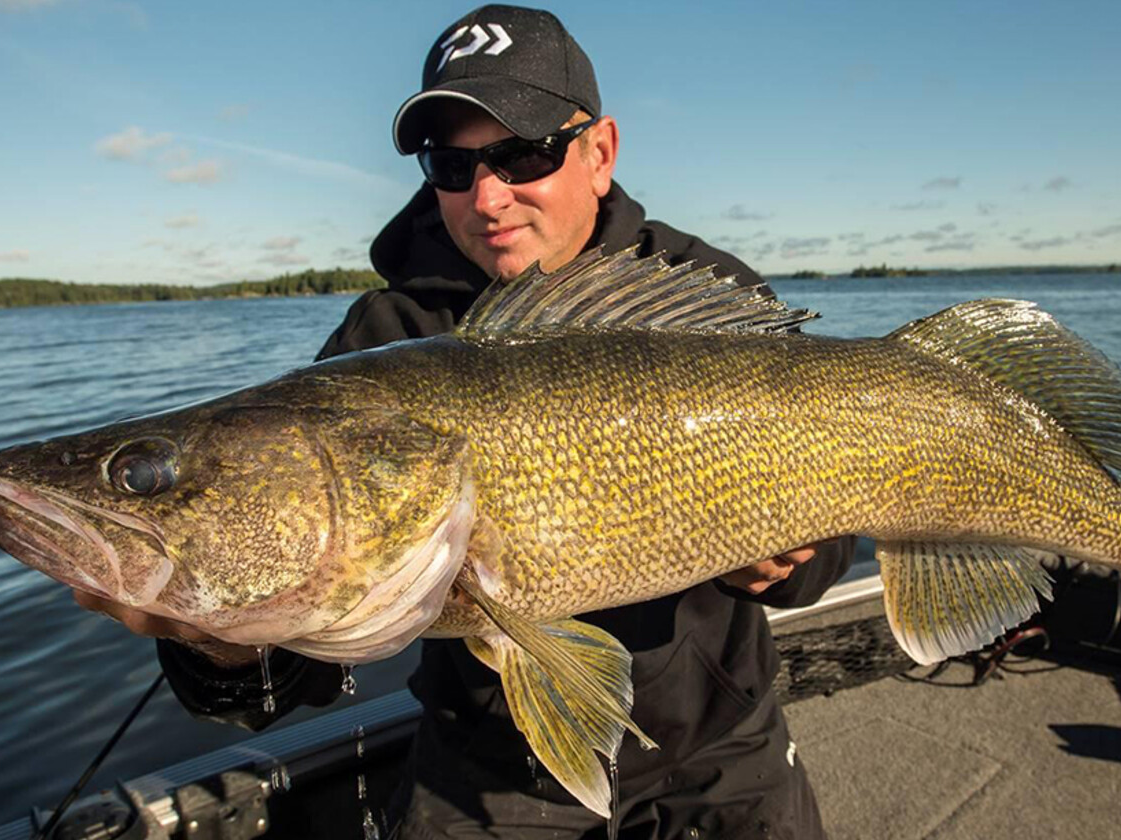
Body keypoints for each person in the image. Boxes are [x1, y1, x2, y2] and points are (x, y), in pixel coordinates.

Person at [76, 6, 853, 838]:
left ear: (600, 152)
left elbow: (831, 547)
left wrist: (786, 563)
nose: (488, 196)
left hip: (720, 748)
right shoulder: (382, 344)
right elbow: (276, 689)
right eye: (452, 164)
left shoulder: (702, 296)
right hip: (488, 766)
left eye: (523, 153)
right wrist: (220, 646)